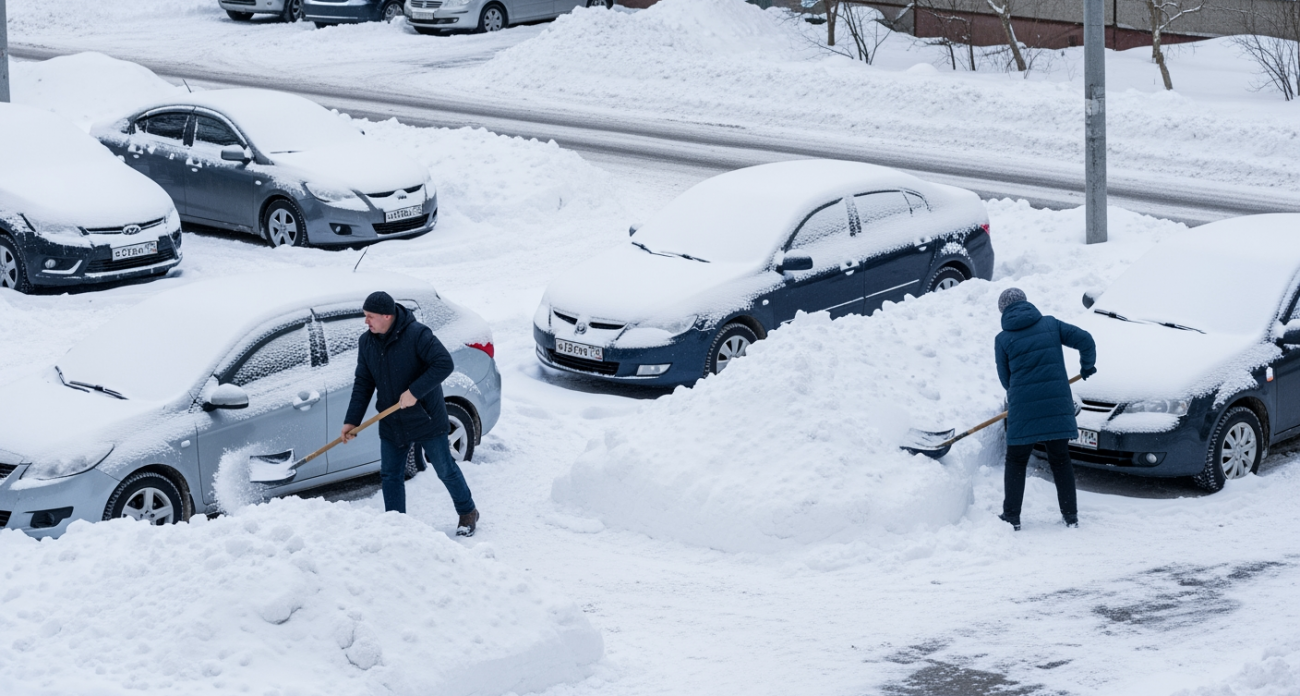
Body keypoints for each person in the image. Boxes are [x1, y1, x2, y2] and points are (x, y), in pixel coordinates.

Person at [340, 291, 480, 536]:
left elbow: (444, 363)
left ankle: (468, 511)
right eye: (365, 316)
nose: (366, 322)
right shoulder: (367, 342)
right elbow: (363, 382)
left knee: (444, 467)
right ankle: (397, 527)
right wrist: (352, 420)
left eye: (370, 317)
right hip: (392, 419)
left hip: (425, 416)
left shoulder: (417, 335)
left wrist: (415, 391)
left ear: (387, 315)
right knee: (390, 474)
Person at [994, 287, 1096, 531]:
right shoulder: (1051, 325)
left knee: (1016, 460)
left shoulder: (1003, 339)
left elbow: (1005, 379)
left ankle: (1012, 517)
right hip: (1056, 404)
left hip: (1023, 407)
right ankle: (1070, 516)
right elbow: (1085, 339)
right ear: (1026, 303)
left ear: (1003, 311)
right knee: (1060, 460)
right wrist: (1087, 366)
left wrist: (1022, 391)